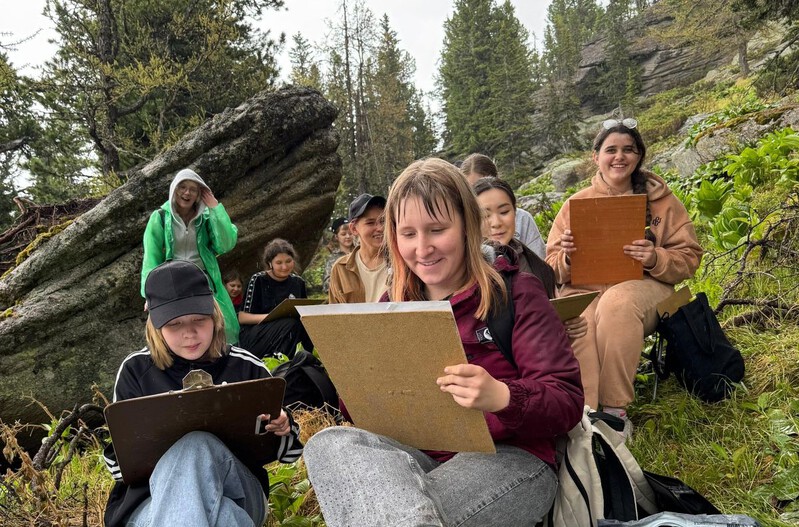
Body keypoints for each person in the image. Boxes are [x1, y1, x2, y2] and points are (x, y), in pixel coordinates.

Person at [303, 158, 584, 527]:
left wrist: (502, 396)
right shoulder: (390, 305)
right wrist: (359, 384)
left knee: (393, 512)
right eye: (408, 234)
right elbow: (363, 418)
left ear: (467, 224)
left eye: (436, 230)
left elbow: (566, 400)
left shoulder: (516, 293)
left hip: (508, 458)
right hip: (416, 458)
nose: (423, 249)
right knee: (329, 444)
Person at [103, 260, 303, 527]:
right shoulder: (135, 371)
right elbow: (118, 470)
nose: (189, 333)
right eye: (174, 324)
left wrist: (283, 426)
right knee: (225, 517)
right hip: (150, 502)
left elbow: (290, 454)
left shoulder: (246, 366)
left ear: (215, 314)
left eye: (199, 319)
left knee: (197, 444)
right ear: (155, 325)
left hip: (240, 491)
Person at [546, 118, 703, 425]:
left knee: (617, 304)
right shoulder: (574, 205)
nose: (620, 156)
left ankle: (614, 413)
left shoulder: (663, 202)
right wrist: (567, 259)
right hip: (586, 289)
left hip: (647, 289)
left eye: (628, 150)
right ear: (596, 157)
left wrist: (655, 258)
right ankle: (585, 416)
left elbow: (690, 258)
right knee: (580, 320)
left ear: (639, 156)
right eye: (611, 150)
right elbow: (550, 269)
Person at [473, 176, 587, 340]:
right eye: (485, 215)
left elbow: (552, 337)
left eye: (504, 212)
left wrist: (571, 329)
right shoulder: (463, 272)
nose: (496, 223)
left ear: (515, 213)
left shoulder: (540, 269)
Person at [141, 168, 240, 344]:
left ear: (199, 194)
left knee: (222, 327)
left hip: (203, 280)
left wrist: (215, 208)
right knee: (176, 329)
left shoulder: (206, 218)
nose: (187, 193)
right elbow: (151, 258)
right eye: (182, 187)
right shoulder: (160, 217)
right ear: (174, 189)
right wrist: (151, 294)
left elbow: (226, 244)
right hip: (173, 282)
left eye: (193, 189)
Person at [460, 153, 546, 259]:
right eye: (471, 190)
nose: (496, 223)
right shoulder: (460, 225)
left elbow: (539, 260)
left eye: (504, 212)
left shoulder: (523, 219)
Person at [238, 238, 313, 358]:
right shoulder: (258, 280)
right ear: (270, 263)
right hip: (256, 336)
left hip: (289, 330)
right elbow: (242, 317)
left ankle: (311, 358)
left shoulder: (298, 282)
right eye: (279, 263)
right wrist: (272, 317)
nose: (284, 266)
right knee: (290, 323)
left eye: (288, 261)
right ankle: (281, 361)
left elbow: (304, 313)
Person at [327, 193, 388, 304]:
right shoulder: (341, 269)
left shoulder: (402, 262)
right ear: (354, 229)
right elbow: (334, 311)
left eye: (383, 221)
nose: (380, 228)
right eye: (370, 223)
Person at [323, 217, 354, 293]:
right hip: (341, 297)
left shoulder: (361, 253)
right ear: (336, 237)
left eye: (350, 233)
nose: (348, 236)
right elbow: (327, 285)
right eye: (343, 234)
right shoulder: (332, 258)